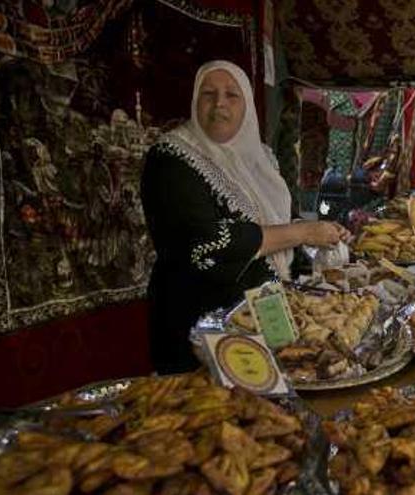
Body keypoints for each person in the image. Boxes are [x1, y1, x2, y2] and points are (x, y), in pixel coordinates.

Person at [142, 61, 350, 374]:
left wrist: (322, 237)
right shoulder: (170, 160)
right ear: (195, 101)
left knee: (272, 407)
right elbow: (209, 241)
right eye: (208, 94)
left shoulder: (261, 157)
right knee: (210, 413)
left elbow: (281, 219)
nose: (219, 104)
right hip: (199, 327)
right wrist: (302, 233)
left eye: (231, 95)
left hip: (267, 316)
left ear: (248, 106)